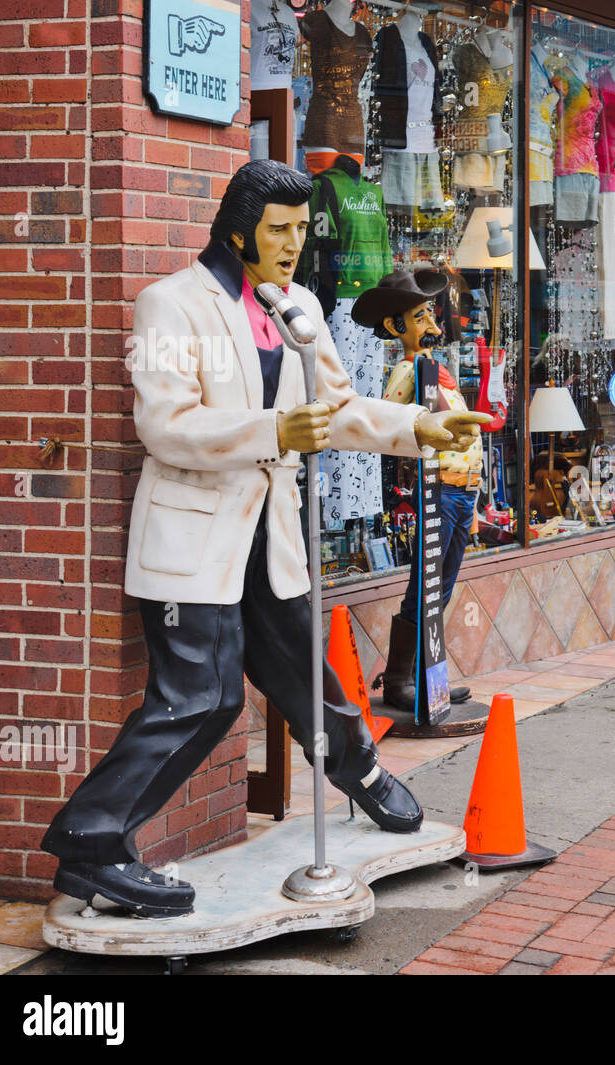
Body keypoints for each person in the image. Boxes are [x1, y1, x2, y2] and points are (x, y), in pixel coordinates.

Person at [40, 160, 489, 918]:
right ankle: (91, 839)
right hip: (194, 543)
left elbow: (340, 409)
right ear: (238, 227)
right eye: (278, 229)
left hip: (269, 537)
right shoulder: (170, 305)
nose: (292, 244)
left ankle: (363, 773)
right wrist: (274, 430)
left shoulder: (300, 308)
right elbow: (164, 424)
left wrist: (417, 425)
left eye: (300, 229)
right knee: (202, 699)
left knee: (306, 675)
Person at [351, 268, 479, 708]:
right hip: (439, 490)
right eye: (421, 317)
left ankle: (430, 678)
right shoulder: (410, 370)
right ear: (395, 327)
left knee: (441, 587)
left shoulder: (435, 369)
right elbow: (387, 418)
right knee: (425, 588)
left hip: (463, 491)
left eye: (431, 316)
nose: (433, 326)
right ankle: (402, 680)